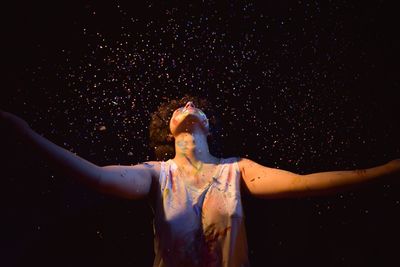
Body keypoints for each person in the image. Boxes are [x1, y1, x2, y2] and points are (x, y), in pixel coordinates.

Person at [1, 96, 399, 267]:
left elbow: (302, 183)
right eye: (179, 107)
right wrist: (27, 134)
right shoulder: (155, 174)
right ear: (167, 128)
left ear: (209, 125)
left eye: (195, 106)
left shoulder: (237, 169)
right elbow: (94, 175)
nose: (188, 107)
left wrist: (385, 170)